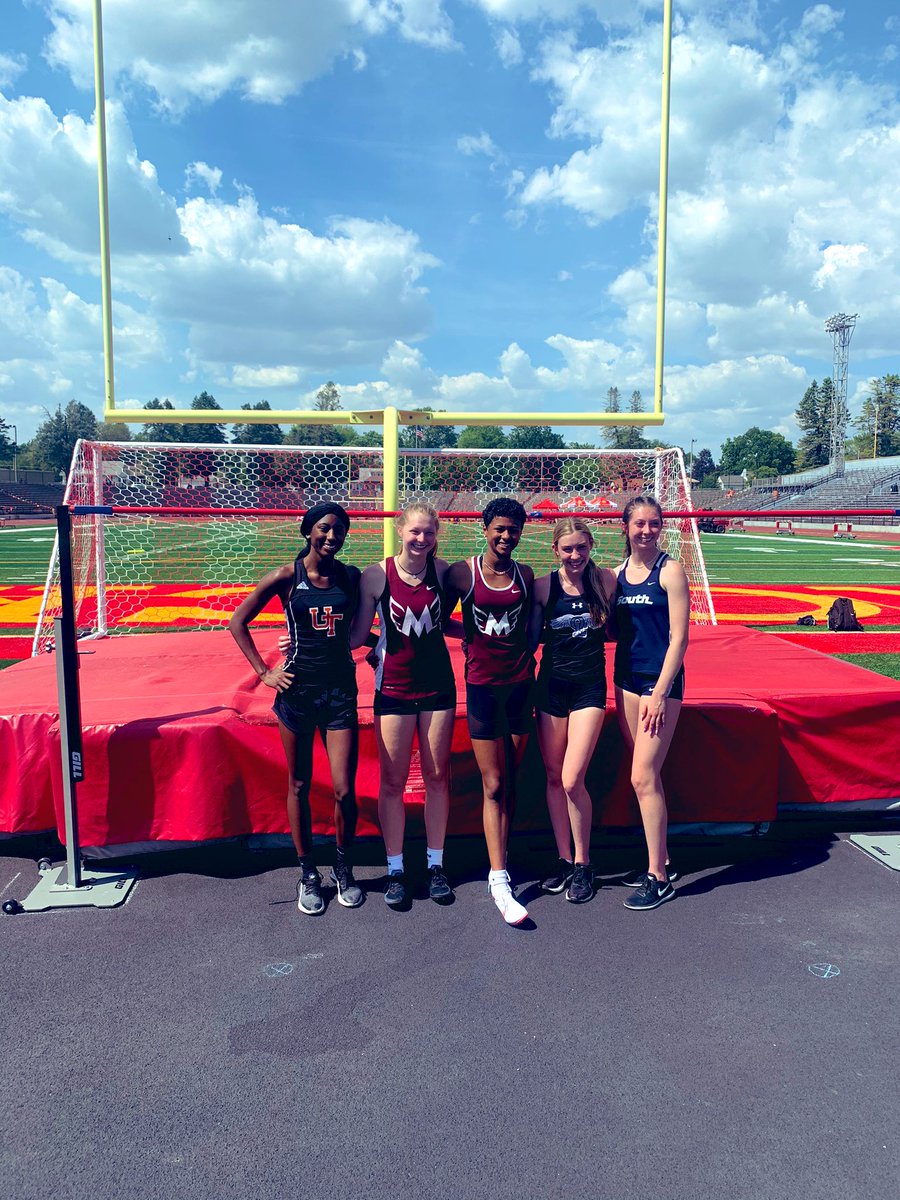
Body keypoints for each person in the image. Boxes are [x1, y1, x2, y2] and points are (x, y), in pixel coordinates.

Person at [229, 502, 363, 916]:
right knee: (299, 785)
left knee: (343, 788)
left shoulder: (351, 576)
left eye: (339, 530)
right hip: (298, 692)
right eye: (324, 528)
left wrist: (378, 646)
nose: (331, 536)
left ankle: (344, 866)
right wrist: (264, 672)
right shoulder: (287, 576)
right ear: (308, 531)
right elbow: (238, 621)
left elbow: (356, 629)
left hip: (340, 691)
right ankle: (308, 871)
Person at [351, 501, 457, 908]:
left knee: (436, 778)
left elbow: (449, 619)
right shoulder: (376, 576)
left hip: (437, 687)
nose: (422, 539)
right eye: (415, 531)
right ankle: (395, 869)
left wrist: (484, 637)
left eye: (429, 533)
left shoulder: (445, 572)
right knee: (393, 782)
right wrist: (307, 644)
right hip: (393, 688)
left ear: (437, 536)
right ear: (400, 530)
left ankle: (435, 866)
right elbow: (359, 631)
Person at [445, 497, 535, 926]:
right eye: (499, 528)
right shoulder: (463, 573)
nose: (506, 536)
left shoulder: (527, 574)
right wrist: (472, 636)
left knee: (513, 781)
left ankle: (506, 858)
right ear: (484, 528)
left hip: (521, 686)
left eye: (513, 530)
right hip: (482, 689)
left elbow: (531, 629)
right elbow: (438, 618)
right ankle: (498, 879)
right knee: (494, 783)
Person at [529, 517, 616, 904]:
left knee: (570, 778)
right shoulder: (544, 586)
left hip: (589, 688)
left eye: (582, 547)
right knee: (552, 776)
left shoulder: (605, 581)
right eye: (567, 548)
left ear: (591, 545)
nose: (575, 555)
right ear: (555, 550)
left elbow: (623, 627)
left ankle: (584, 863)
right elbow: (527, 638)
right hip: (550, 687)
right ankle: (564, 859)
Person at [612, 495, 690, 911]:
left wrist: (660, 692)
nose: (646, 530)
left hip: (658, 685)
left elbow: (679, 638)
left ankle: (658, 879)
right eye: (639, 523)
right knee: (646, 774)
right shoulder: (616, 575)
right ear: (625, 526)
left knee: (642, 776)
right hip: (624, 681)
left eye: (654, 524)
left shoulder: (670, 570)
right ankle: (661, 860)